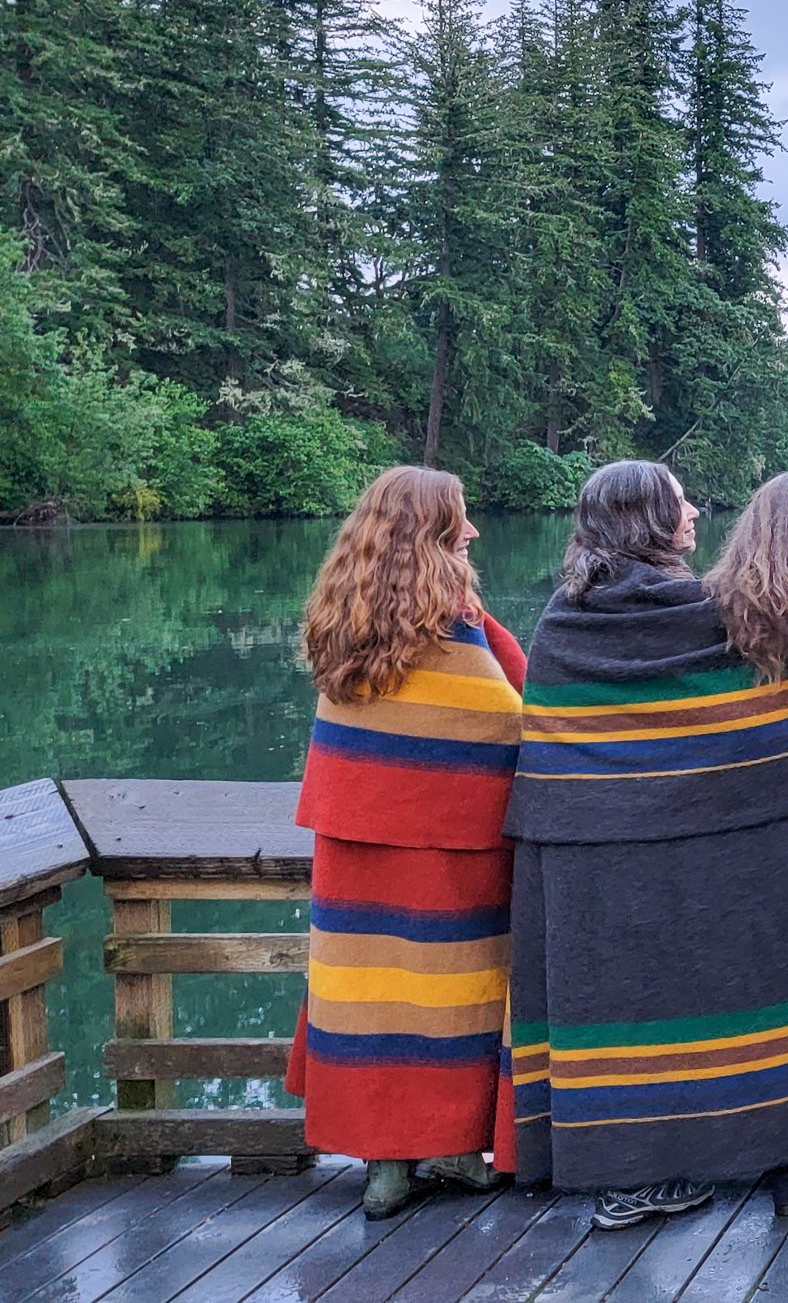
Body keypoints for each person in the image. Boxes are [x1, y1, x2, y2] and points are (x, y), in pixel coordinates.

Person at [505, 464, 788, 1231]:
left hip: (617, 867)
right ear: (650, 518)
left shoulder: (567, 625)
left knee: (695, 1000)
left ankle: (693, 1177)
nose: (696, 510)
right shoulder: (731, 618)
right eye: (682, 501)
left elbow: (581, 754)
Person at [287, 466, 525, 1220]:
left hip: (354, 837)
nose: (475, 532)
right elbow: (517, 718)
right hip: (451, 840)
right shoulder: (456, 623)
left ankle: (390, 1164)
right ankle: (451, 1149)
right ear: (432, 533)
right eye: (462, 520)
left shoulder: (342, 617)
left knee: (367, 994)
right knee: (456, 993)